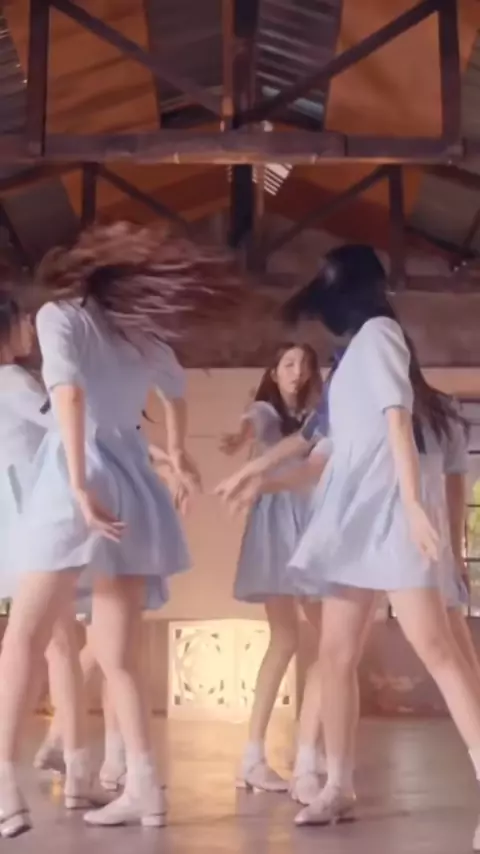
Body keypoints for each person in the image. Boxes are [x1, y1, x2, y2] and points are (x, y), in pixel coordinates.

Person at [216, 244, 480, 846]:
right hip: (350, 523)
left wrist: (413, 503)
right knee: (334, 654)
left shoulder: (382, 334)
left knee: (437, 649)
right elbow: (316, 456)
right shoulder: (346, 362)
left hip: (391, 517)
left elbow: (396, 417)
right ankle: (337, 784)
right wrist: (255, 477)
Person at [0, 222, 243, 836]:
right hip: (133, 478)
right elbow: (176, 393)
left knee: (23, 637)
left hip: (74, 476)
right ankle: (144, 789)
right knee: (118, 655)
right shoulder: (136, 332)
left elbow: (68, 397)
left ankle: (4, 787)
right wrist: (177, 453)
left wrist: (79, 482)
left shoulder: (59, 317)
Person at [220, 343, 323, 793]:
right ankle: (257, 755)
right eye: (289, 364)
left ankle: (307, 748)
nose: (298, 371)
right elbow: (251, 422)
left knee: (320, 641)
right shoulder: (265, 410)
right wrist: (238, 435)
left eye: (305, 364)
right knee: (290, 639)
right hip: (280, 527)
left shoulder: (316, 417)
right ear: (274, 372)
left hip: (312, 522)